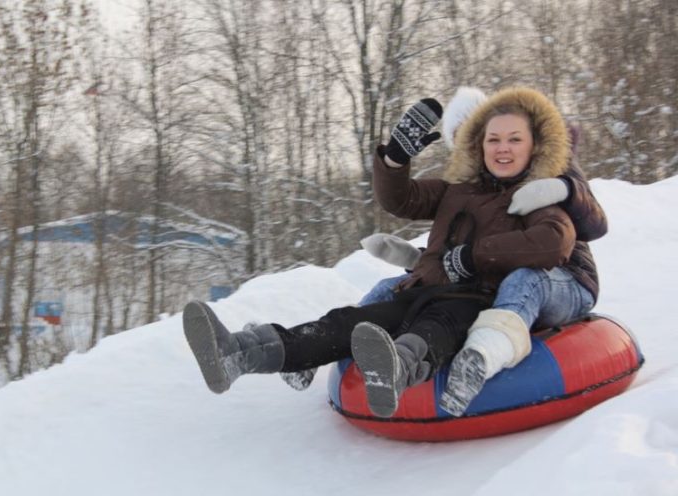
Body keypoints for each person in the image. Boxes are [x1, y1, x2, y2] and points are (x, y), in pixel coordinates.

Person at [183, 87, 597, 420]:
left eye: (513, 139)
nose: (502, 148)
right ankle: (238, 353)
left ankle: (395, 372)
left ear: (534, 146)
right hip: (421, 289)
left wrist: (473, 257)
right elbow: (402, 200)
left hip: (473, 299)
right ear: (478, 144)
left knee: (435, 329)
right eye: (493, 139)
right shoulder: (457, 189)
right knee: (345, 322)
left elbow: (553, 242)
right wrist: (396, 159)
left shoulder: (537, 195)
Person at [281, 87, 607, 394]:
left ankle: (479, 354)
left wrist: (565, 188)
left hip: (559, 275)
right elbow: (467, 237)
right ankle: (318, 351)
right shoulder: (475, 183)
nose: (482, 147)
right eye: (459, 138)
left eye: (472, 132)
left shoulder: (546, 162)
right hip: (493, 270)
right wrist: (418, 260)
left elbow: (583, 228)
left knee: (520, 284)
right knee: (390, 288)